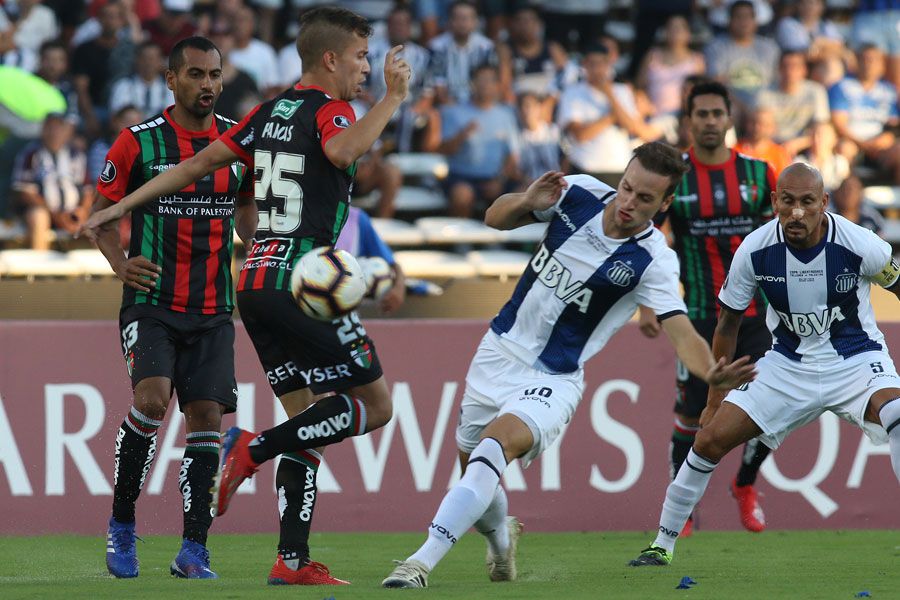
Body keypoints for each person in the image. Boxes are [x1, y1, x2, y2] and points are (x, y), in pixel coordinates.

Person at [81, 6, 411, 587]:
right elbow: (341, 152)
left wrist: (121, 206)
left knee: (310, 420)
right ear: (330, 59)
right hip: (303, 278)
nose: (367, 68)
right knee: (375, 407)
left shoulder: (268, 112)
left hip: (251, 282)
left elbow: (198, 164)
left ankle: (290, 558)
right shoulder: (332, 110)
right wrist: (392, 99)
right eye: (361, 57)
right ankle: (249, 451)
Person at [380, 142, 756, 589]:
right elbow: (494, 219)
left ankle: (418, 564)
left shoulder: (653, 259)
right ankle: (501, 539)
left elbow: (681, 330)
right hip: (496, 352)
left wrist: (707, 370)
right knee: (476, 471)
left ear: (666, 203)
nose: (629, 204)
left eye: (644, 199)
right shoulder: (577, 193)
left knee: (490, 452)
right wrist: (525, 201)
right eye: (627, 189)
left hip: (552, 378)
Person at [629, 162, 900, 567]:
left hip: (856, 361)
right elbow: (728, 323)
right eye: (787, 201)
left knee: (897, 411)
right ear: (773, 201)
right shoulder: (755, 251)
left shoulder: (862, 243)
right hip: (787, 366)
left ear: (824, 203)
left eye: (807, 202)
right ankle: (661, 545)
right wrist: (716, 396)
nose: (796, 212)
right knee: (707, 441)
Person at [90, 36, 256, 580]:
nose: (206, 84)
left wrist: (257, 255)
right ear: (171, 79)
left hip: (213, 308)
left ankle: (193, 548)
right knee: (153, 400)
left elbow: (247, 207)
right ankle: (121, 523)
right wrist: (120, 264)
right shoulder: (138, 143)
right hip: (152, 302)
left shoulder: (238, 143)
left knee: (207, 418)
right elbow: (102, 214)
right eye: (194, 74)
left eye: (213, 74)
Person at [643, 80, 777, 535]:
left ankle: (744, 483)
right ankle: (679, 509)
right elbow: (646, 239)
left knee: (773, 408)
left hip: (759, 316)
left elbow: (786, 239)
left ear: (729, 119)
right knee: (690, 415)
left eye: (717, 113)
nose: (709, 121)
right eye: (700, 114)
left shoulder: (760, 175)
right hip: (699, 316)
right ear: (688, 121)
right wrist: (648, 305)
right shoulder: (674, 176)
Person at [12, 112, 91, 249]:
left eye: (58, 128)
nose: (54, 133)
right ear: (43, 130)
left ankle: (101, 268)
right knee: (39, 217)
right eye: (50, 127)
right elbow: (25, 192)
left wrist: (82, 211)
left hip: (72, 213)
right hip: (44, 211)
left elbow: (88, 190)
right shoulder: (31, 154)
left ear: (66, 131)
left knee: (99, 217)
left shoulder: (76, 155)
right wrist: (56, 215)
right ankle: (39, 268)